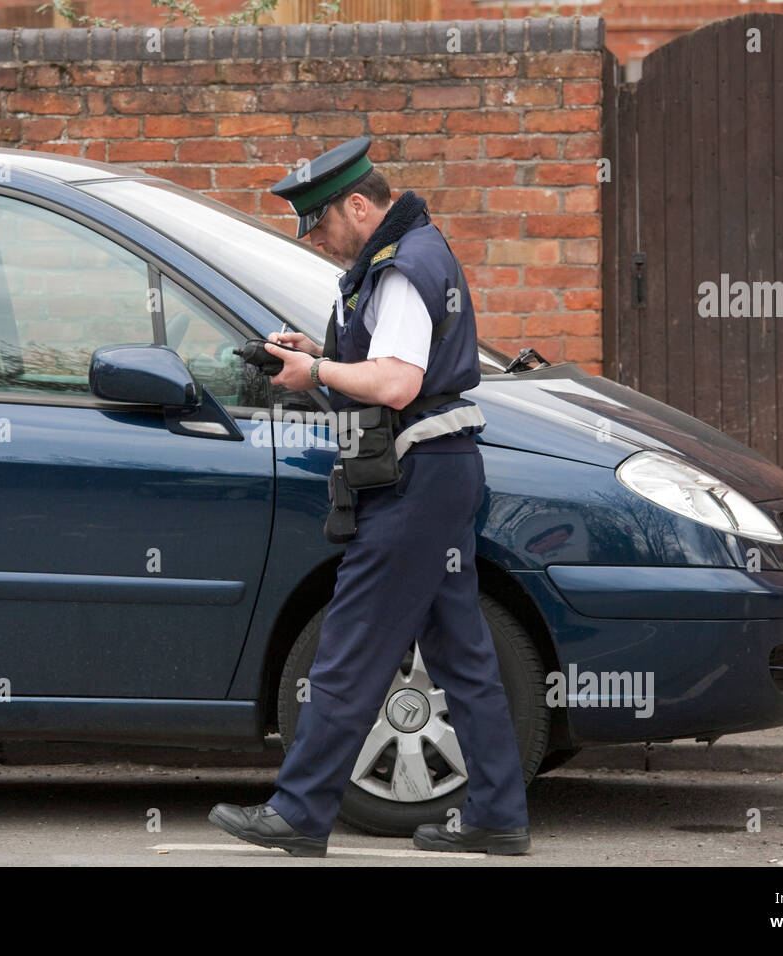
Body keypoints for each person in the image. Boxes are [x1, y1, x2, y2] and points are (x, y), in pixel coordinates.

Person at [208, 137, 532, 857]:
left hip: (415, 484)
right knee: (461, 654)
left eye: (320, 224)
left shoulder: (399, 270)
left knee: (349, 650)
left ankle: (298, 815)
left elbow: (395, 384)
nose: (317, 241)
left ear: (359, 206)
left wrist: (318, 365)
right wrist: (314, 357)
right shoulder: (412, 255)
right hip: (437, 473)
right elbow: (381, 371)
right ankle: (498, 817)